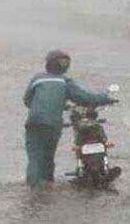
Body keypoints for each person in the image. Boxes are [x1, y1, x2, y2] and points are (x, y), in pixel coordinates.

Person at [22, 49, 115, 189]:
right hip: (53, 124)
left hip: (34, 122)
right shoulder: (64, 81)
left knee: (35, 156)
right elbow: (85, 98)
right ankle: (47, 185)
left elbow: (27, 100)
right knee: (48, 156)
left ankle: (34, 189)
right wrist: (106, 98)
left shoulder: (37, 79)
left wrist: (49, 106)